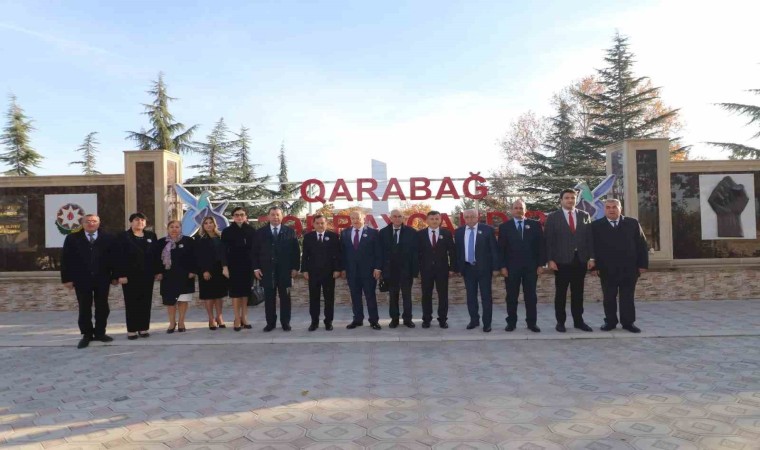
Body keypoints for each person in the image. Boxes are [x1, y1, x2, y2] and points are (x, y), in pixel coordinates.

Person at [591, 199, 648, 333]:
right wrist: (594, 267)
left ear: (620, 208)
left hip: (629, 268)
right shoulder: (596, 225)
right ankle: (610, 322)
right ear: (604, 209)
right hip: (606, 269)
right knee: (609, 297)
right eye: (608, 207)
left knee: (627, 297)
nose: (611, 209)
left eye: (614, 207)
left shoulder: (632, 223)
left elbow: (642, 244)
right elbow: (592, 247)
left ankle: (628, 323)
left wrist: (642, 264)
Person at [61, 214, 117, 349]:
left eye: (94, 221)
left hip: (102, 278)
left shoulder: (108, 238)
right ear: (82, 223)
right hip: (82, 279)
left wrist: (115, 276)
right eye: (88, 221)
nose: (91, 223)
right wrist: (67, 279)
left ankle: (100, 332)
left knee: (102, 306)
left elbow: (115, 258)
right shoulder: (72, 238)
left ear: (99, 223)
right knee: (84, 307)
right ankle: (86, 334)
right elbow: (65, 259)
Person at [544, 188, 595, 333]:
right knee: (561, 294)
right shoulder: (553, 217)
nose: (570, 200)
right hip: (561, 262)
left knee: (578, 293)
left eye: (573, 198)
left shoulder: (584, 215)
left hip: (580, 261)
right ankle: (560, 322)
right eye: (567, 198)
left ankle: (579, 321)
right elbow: (548, 241)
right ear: (561, 200)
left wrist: (592, 257)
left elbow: (590, 239)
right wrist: (550, 260)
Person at [498, 199, 546, 333]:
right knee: (511, 297)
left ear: (525, 210)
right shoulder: (504, 227)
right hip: (511, 268)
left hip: (531, 268)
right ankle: (511, 323)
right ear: (511, 210)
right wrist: (502, 266)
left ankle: (532, 323)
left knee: (531, 297)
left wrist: (541, 264)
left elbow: (541, 246)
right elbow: (501, 249)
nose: (518, 210)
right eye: (516, 208)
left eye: (521, 208)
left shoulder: (535, 225)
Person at [253, 206, 301, 332]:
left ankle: (285, 323)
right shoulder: (260, 232)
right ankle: (270, 323)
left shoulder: (289, 231)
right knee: (269, 299)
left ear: (282, 216)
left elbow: (296, 251)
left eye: (278, 214)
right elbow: (254, 252)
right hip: (267, 271)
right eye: (273, 214)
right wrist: (256, 268)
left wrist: (295, 267)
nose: (275, 217)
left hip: (285, 271)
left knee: (285, 298)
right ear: (268, 216)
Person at [454, 209, 501, 332]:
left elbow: (494, 250)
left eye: (472, 216)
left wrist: (496, 267)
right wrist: (457, 268)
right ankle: (474, 320)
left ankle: (487, 323)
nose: (470, 219)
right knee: (471, 297)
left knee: (486, 297)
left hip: (484, 269)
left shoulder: (487, 230)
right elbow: (457, 251)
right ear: (464, 218)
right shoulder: (459, 232)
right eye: (467, 217)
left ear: (477, 217)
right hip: (467, 269)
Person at [115, 212, 158, 340]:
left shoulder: (151, 235)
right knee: (132, 302)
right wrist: (121, 275)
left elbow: (155, 255)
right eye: (137, 220)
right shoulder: (123, 236)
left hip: (147, 275)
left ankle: (143, 328)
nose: (140, 222)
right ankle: (132, 330)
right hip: (129, 276)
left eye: (142, 220)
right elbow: (119, 257)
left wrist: (158, 271)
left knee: (145, 302)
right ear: (131, 222)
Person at [341, 210, 383, 330]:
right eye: (353, 218)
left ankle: (374, 321)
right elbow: (342, 253)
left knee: (370, 296)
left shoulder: (373, 233)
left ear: (364, 218)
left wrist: (378, 268)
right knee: (355, 296)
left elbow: (378, 252)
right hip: (352, 271)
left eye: (358, 218)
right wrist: (343, 268)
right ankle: (357, 319)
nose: (355, 220)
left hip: (368, 271)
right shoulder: (345, 233)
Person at [300, 214, 342, 331]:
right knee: (314, 298)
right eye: (317, 223)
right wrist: (304, 270)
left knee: (329, 298)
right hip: (313, 273)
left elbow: (337, 255)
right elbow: (305, 256)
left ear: (326, 224)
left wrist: (337, 269)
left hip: (329, 273)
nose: (320, 225)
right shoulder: (308, 237)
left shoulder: (333, 236)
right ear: (313, 224)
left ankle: (328, 322)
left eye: (322, 223)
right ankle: (314, 322)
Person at [378, 209, 419, 328]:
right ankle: (394, 319)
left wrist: (415, 271)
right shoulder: (383, 232)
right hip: (390, 271)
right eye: (394, 216)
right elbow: (380, 252)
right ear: (390, 218)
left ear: (403, 218)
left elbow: (415, 253)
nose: (397, 218)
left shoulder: (412, 232)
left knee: (407, 296)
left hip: (406, 271)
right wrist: (380, 269)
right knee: (393, 296)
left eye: (399, 216)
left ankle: (407, 319)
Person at [417, 210, 456, 329]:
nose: (434, 221)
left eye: (437, 219)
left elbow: (452, 252)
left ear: (440, 220)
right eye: (432, 219)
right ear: (427, 220)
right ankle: (426, 319)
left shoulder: (446, 233)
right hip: (426, 270)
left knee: (443, 295)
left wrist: (452, 268)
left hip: (442, 270)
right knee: (426, 295)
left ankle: (443, 319)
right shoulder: (420, 234)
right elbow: (416, 253)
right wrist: (417, 269)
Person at [155, 220, 196, 333]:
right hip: (168, 276)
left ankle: (181, 322)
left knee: (183, 300)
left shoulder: (188, 241)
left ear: (181, 228)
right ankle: (172, 323)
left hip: (185, 276)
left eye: (177, 227)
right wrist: (158, 272)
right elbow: (156, 259)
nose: (174, 229)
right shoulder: (161, 242)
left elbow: (194, 257)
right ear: (168, 229)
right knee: (170, 302)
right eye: (172, 227)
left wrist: (193, 271)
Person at [221, 207, 256, 331]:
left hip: (248, 267)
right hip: (233, 267)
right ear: (233, 217)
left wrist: (256, 267)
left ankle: (244, 318)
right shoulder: (227, 231)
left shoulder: (252, 231)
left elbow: (255, 251)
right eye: (236, 215)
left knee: (245, 294)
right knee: (235, 294)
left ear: (246, 216)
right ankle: (236, 318)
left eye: (242, 215)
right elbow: (223, 251)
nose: (239, 217)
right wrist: (224, 267)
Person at [195, 216, 229, 330]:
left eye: (211, 223)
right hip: (206, 271)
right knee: (209, 296)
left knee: (219, 296)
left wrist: (225, 267)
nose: (208, 225)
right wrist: (204, 270)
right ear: (203, 225)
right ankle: (211, 319)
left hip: (219, 270)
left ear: (215, 224)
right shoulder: (199, 238)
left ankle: (219, 317)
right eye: (206, 223)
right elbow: (198, 256)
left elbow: (224, 253)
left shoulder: (220, 237)